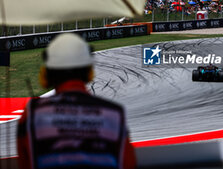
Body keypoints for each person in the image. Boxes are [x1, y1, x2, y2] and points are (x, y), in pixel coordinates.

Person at [17, 33, 136, 169]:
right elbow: (128, 164)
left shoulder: (32, 114)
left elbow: (25, 164)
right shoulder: (115, 114)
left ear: (46, 73)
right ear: (89, 71)